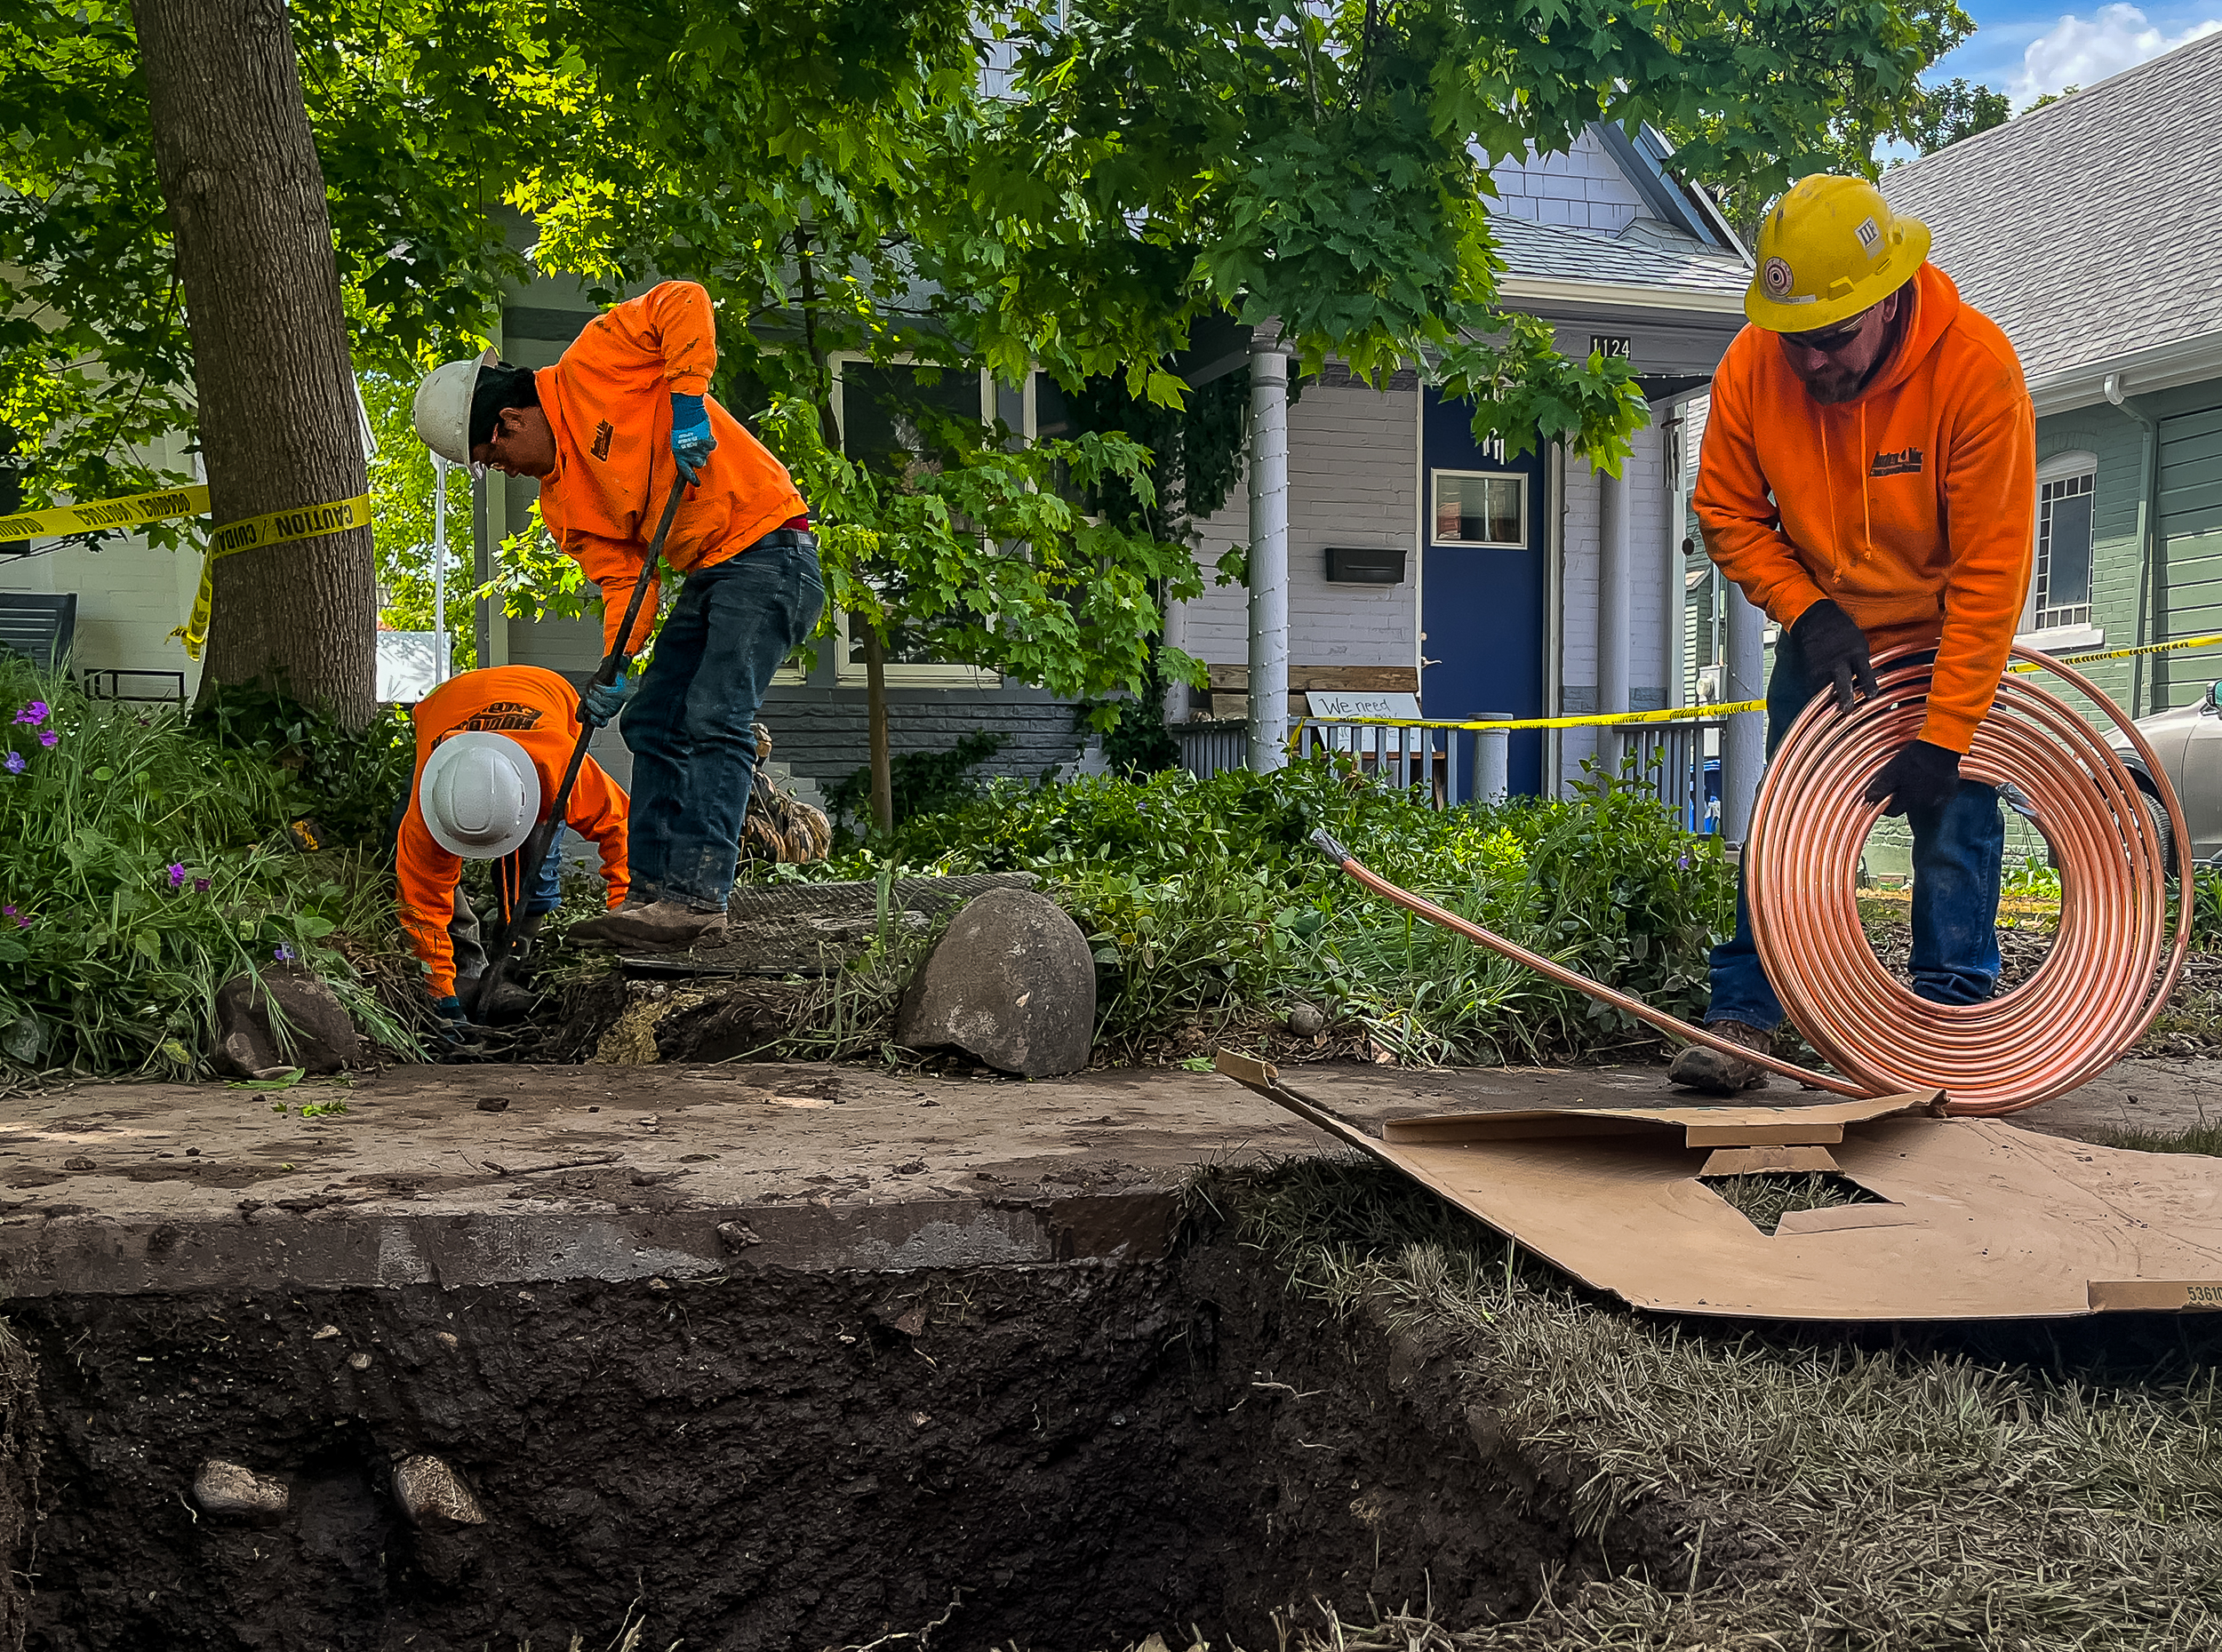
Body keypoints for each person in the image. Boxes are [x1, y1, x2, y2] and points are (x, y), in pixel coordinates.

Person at [1672, 174, 2035, 1095]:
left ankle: (1946, 1019)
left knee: (1955, 817)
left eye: (1832, 340)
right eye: (1796, 342)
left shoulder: (1974, 371)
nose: (1812, 366)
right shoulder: (1754, 365)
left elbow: (1992, 572)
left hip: (1947, 629)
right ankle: (1747, 1015)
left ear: (1887, 299)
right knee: (1795, 824)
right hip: (1827, 629)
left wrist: (1945, 735)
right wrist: (1806, 608)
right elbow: (1722, 509)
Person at [411, 279, 823, 948]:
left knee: (715, 714)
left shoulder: (594, 362)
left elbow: (683, 299)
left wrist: (688, 400)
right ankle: (650, 896)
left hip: (771, 548)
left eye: (496, 458)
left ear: (509, 421)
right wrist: (615, 664)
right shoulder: (562, 502)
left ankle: (698, 896)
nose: (507, 471)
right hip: (710, 572)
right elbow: (626, 583)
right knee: (651, 717)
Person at [397, 666, 631, 1042]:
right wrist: (441, 998)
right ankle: (464, 967)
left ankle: (511, 963)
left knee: (536, 854)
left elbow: (620, 830)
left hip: (544, 691)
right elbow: (421, 908)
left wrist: (624, 918)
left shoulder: (559, 765)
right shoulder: (426, 813)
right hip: (446, 704)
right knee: (425, 869)